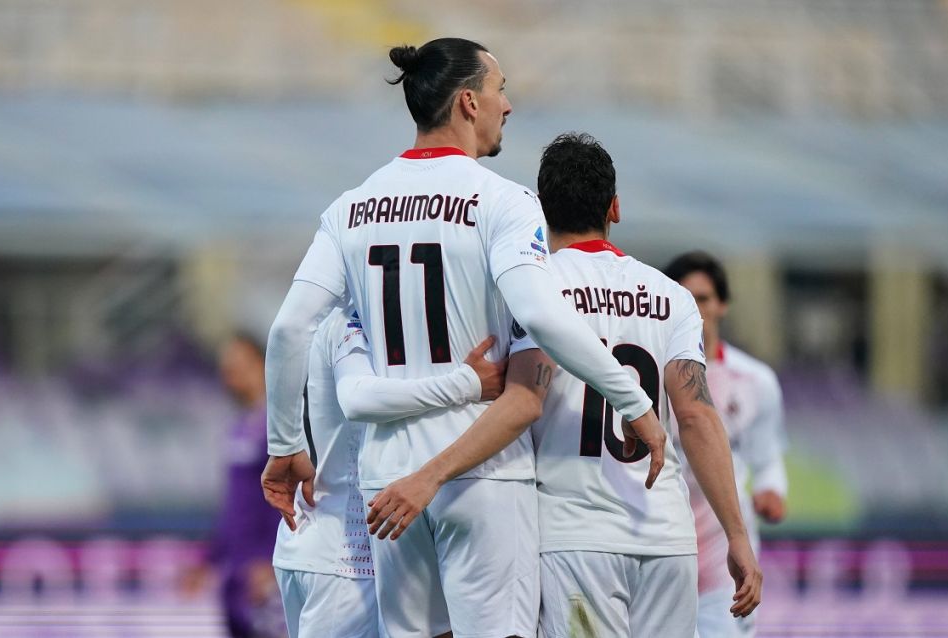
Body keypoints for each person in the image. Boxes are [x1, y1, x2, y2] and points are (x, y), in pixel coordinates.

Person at [262, 38, 665, 638]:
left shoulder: (350, 208)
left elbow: (289, 327)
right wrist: (633, 402)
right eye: (501, 90)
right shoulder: (503, 201)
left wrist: (285, 443)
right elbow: (546, 318)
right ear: (469, 103)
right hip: (483, 474)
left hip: (387, 482)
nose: (509, 106)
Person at [508, 133, 760, 635]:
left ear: (541, 208)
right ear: (615, 208)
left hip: (576, 538)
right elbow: (696, 416)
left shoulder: (532, 289)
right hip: (666, 540)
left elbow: (521, 399)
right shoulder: (670, 297)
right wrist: (737, 534)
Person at [272, 307, 506, 638]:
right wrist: (467, 382)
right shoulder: (352, 317)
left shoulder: (330, 316)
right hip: (348, 559)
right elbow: (358, 398)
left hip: (321, 543)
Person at [664, 251, 788, 638]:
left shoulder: (756, 380)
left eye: (701, 298)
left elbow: (767, 458)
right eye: (683, 297)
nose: (693, 308)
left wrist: (771, 489)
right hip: (663, 549)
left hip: (726, 559)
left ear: (722, 305)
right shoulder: (648, 377)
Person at [199, 334, 284, 638]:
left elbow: (286, 497)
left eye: (238, 364)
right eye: (226, 366)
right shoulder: (238, 427)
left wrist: (271, 559)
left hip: (262, 569)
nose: (230, 372)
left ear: (262, 365)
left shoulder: (280, 426)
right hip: (234, 571)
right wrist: (209, 559)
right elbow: (235, 505)